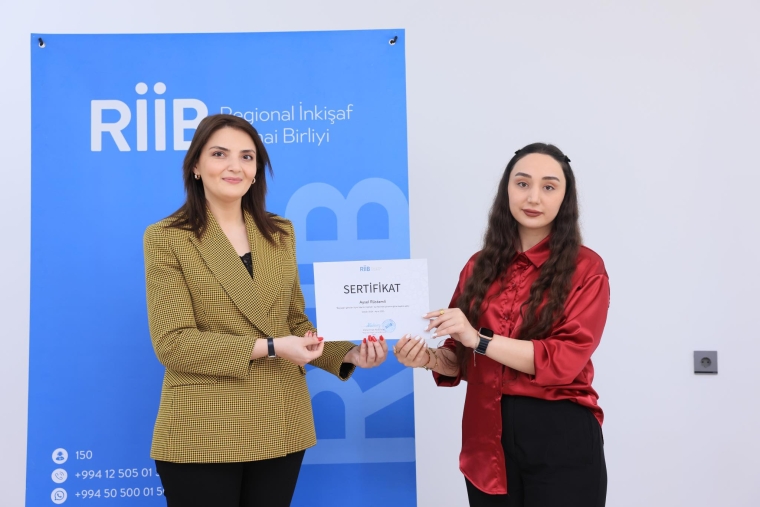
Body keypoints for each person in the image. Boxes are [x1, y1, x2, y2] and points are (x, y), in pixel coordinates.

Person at [143, 114, 388, 507]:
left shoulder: (280, 232)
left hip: (280, 418)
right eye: (219, 154)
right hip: (204, 426)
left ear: (256, 171)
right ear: (195, 166)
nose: (235, 166)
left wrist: (348, 354)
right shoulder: (167, 237)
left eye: (247, 156)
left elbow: (294, 321)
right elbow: (173, 344)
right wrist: (271, 347)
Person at [395, 143, 609, 506]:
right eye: (522, 183)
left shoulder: (586, 268)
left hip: (561, 433)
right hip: (486, 438)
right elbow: (459, 357)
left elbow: (563, 360)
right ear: (506, 190)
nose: (533, 197)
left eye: (549, 186)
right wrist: (426, 358)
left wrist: (478, 339)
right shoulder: (478, 266)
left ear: (565, 198)